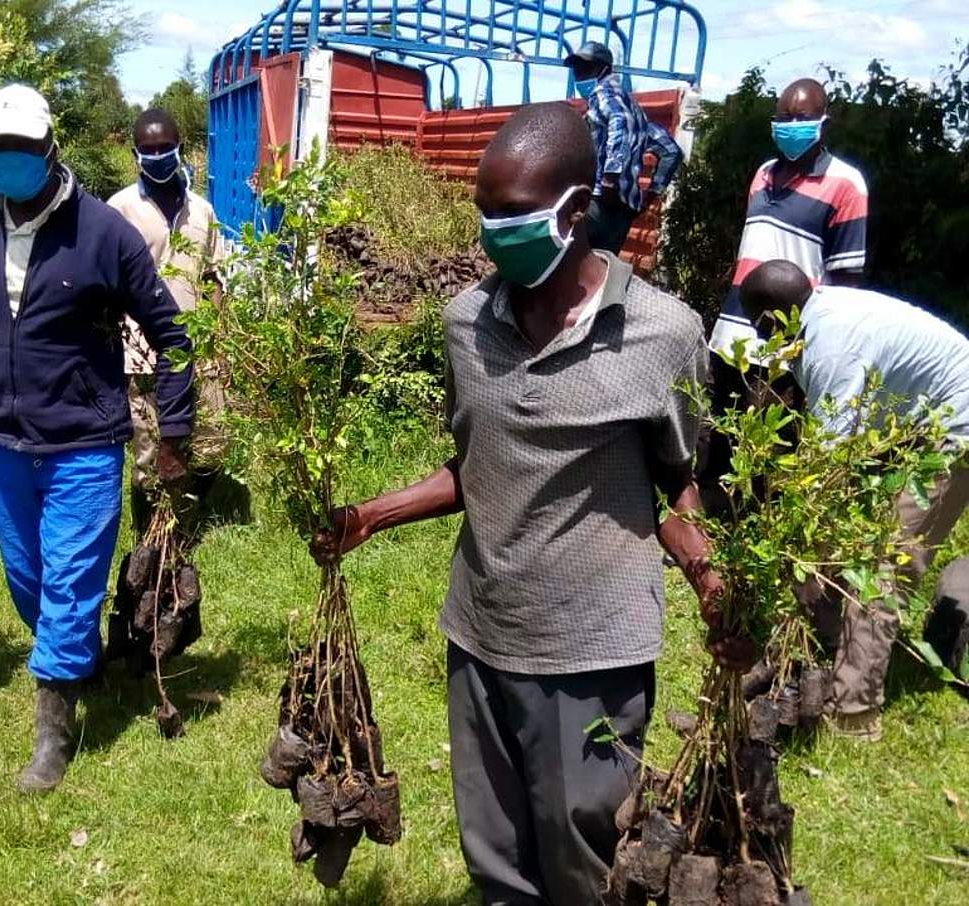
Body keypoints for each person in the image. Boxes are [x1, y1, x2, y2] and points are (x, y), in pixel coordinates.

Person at [311, 103, 749, 905]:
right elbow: (475, 466)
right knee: (497, 857)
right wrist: (369, 516)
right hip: (481, 634)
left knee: (587, 853)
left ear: (577, 211)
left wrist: (711, 582)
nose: (492, 233)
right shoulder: (465, 324)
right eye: (485, 214)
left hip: (592, 652)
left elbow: (681, 490)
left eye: (513, 216)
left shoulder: (663, 335)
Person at [0, 84, 194, 793]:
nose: (9, 163)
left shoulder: (103, 234)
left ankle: (52, 735)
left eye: (21, 151)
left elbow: (172, 337)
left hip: (85, 445)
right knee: (31, 584)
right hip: (4, 442)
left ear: (49, 149)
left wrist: (175, 430)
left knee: (67, 585)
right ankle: (76, 659)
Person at [741, 259, 969, 738]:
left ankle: (853, 712)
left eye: (761, 331)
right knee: (841, 540)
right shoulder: (819, 314)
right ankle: (834, 647)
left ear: (772, 319)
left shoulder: (832, 347)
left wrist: (784, 538)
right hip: (924, 419)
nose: (764, 346)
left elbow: (823, 471)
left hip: (956, 431)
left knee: (887, 565)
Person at [107, 108, 228, 534]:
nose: (158, 156)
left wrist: (216, 338)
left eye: (165, 148)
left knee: (211, 444)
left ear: (180, 147)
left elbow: (214, 275)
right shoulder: (119, 209)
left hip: (198, 351)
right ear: (136, 153)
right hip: (142, 354)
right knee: (148, 456)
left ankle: (189, 521)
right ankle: (152, 538)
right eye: (148, 149)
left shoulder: (203, 211)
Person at [708, 78, 868, 360]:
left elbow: (846, 282)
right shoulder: (763, 174)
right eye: (785, 118)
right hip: (731, 335)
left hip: (787, 349)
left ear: (824, 124)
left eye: (802, 118)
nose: (792, 125)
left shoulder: (847, 184)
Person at [564, 41, 682, 254]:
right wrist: (652, 193)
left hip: (597, 200)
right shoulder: (635, 108)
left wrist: (611, 176)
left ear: (605, 70)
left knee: (570, 262)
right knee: (603, 269)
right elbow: (671, 151)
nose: (579, 75)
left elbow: (619, 119)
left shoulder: (604, 94)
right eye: (577, 69)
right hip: (624, 209)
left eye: (586, 68)